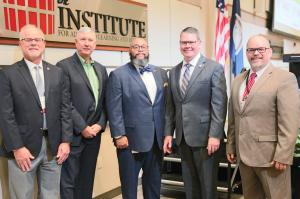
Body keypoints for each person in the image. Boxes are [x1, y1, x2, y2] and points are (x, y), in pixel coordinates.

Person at [0, 24, 72, 199]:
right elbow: (5, 114)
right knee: (22, 195)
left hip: (54, 147)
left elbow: (65, 109)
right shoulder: (8, 74)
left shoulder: (57, 72)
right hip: (23, 149)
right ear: (20, 43)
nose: (33, 43)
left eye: (37, 39)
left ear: (44, 43)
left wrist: (66, 141)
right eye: (28, 39)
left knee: (51, 195)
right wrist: (17, 147)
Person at [226, 35, 300, 199]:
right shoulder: (238, 81)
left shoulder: (284, 79)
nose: (256, 53)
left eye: (261, 49)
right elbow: (233, 117)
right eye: (252, 50)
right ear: (246, 53)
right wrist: (231, 145)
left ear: (270, 52)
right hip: (244, 157)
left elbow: (290, 122)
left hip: (271, 159)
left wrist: (283, 155)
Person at [163, 27, 227, 199]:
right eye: (184, 42)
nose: (187, 45)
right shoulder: (174, 71)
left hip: (206, 139)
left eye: (191, 42)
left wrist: (215, 134)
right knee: (190, 187)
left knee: (207, 188)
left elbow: (219, 105)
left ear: (199, 44)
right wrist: (169, 133)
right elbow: (171, 107)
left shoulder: (214, 68)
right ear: (179, 45)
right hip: (183, 139)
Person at [106, 37, 169, 199]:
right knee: (130, 187)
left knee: (154, 185)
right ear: (130, 50)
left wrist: (167, 133)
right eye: (136, 47)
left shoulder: (160, 73)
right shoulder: (118, 75)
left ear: (148, 49)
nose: (140, 50)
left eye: (143, 47)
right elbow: (114, 109)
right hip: (129, 141)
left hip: (156, 141)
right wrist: (118, 135)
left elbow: (165, 106)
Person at [57, 27, 108, 199]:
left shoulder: (101, 69)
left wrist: (100, 124)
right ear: (75, 42)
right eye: (83, 39)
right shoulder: (63, 66)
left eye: (91, 40)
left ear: (95, 44)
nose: (87, 43)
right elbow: (65, 102)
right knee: (69, 181)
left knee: (87, 179)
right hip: (73, 135)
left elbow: (104, 102)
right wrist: (83, 127)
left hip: (94, 135)